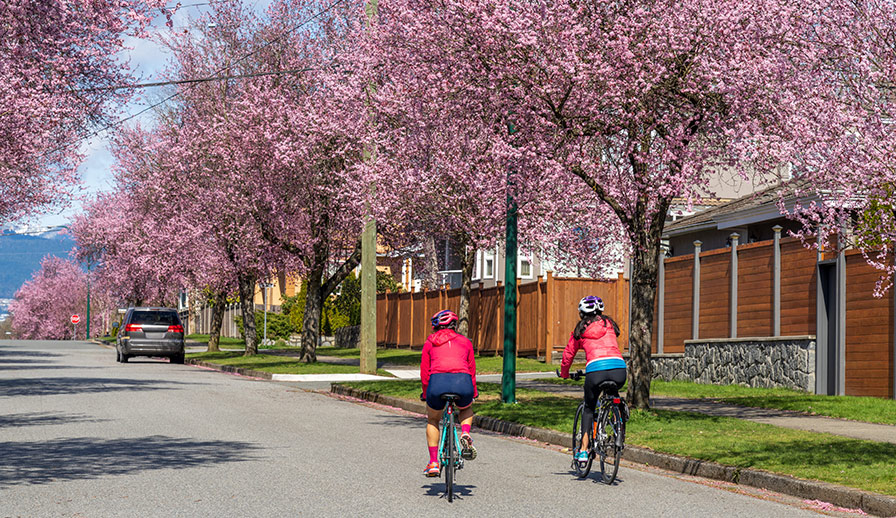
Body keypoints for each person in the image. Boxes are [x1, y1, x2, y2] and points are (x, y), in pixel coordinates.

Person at [559, 295, 626, 463]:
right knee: (614, 397)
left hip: (596, 371)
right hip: (619, 369)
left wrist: (565, 373)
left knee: (588, 408)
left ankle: (582, 450)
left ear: (582, 314)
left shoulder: (580, 330)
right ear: (601, 311)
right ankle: (618, 424)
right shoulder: (609, 325)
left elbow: (568, 355)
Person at [420, 309, 478, 477]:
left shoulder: (430, 342)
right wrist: (473, 392)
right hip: (463, 382)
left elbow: (425, 373)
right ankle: (465, 432)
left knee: (433, 419)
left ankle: (433, 463)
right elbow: (472, 369)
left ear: (436, 326)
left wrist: (426, 393)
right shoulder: (466, 342)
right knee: (466, 408)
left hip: (437, 383)